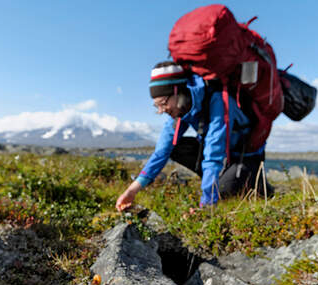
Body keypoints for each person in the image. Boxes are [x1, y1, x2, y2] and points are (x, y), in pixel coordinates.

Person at [115, 61, 273, 212]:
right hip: (224, 157)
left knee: (223, 195)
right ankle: (220, 180)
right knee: (173, 147)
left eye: (163, 103)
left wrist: (206, 206)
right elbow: (161, 151)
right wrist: (132, 190)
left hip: (244, 157)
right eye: (156, 106)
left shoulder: (219, 101)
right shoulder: (181, 109)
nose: (161, 110)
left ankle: (258, 184)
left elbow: (213, 154)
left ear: (177, 91)